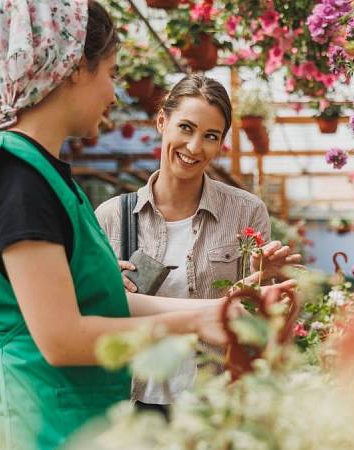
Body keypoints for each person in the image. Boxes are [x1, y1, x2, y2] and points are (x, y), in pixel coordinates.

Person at [0, 2, 287, 449]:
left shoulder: (41, 175)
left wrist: (216, 312)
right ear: (72, 68)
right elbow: (63, 339)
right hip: (30, 421)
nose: (114, 93)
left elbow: (104, 304)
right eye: (110, 72)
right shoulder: (18, 179)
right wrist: (192, 323)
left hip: (63, 415)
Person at [95, 74, 302, 413]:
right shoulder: (113, 217)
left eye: (210, 136)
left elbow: (264, 323)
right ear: (162, 121)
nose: (194, 148)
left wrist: (268, 278)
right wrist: (102, 289)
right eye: (186, 128)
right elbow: (92, 319)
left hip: (217, 402)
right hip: (135, 401)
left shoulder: (245, 211)